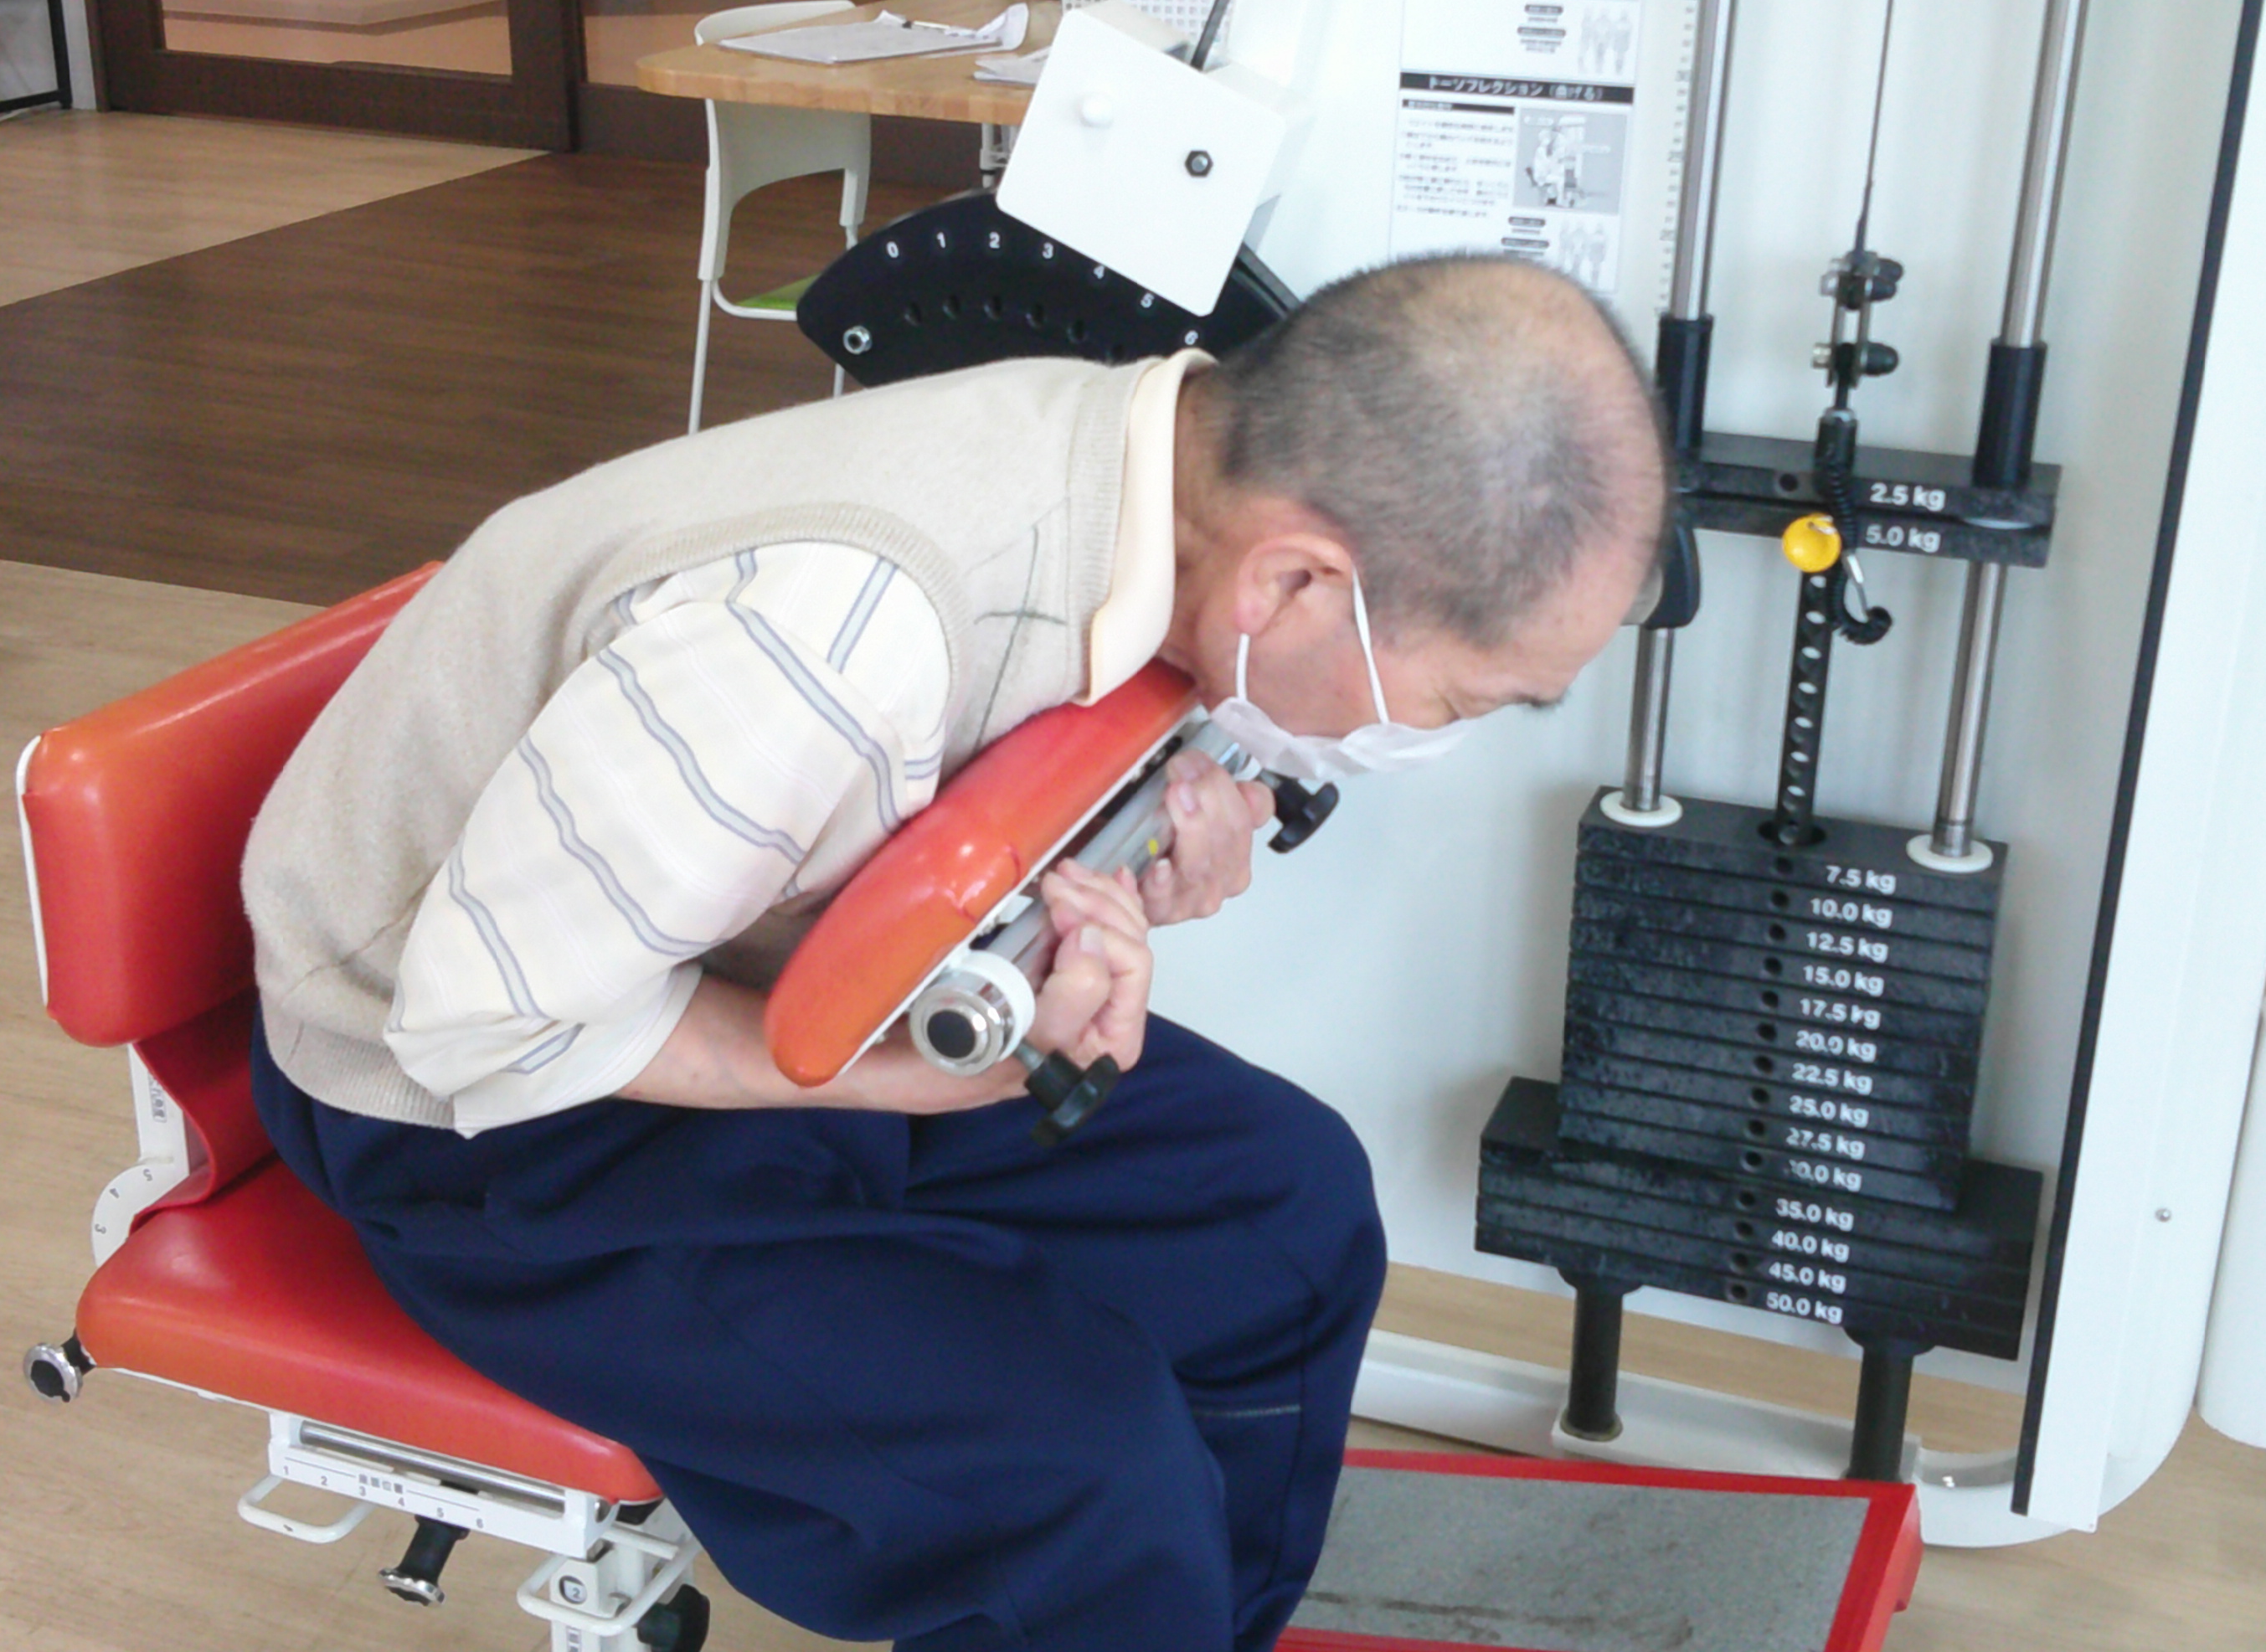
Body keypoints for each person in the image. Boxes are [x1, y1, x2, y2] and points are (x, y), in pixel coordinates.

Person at [240, 254, 1670, 1652]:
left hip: (739, 973)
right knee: (1082, 1476)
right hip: (488, 1115)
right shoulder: (833, 634)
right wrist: (881, 1080)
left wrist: (1119, 870)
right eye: (1460, 701)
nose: (1430, 736)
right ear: (1294, 582)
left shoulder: (1148, 465)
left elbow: (925, 814)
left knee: (1284, 1215)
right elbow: (478, 1027)